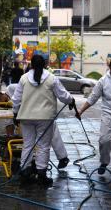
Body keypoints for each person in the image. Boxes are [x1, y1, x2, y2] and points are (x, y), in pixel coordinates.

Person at [12, 55, 75, 186]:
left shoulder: (24, 78)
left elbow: (16, 99)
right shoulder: (51, 78)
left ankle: (25, 172)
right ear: (45, 64)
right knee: (43, 146)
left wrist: (15, 113)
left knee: (28, 144)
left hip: (26, 117)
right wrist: (71, 100)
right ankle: (41, 175)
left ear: (31, 65)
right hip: (45, 118)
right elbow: (63, 95)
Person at [0, 84, 70, 169]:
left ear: (0, 96)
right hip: (26, 120)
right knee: (29, 143)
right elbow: (9, 124)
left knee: (51, 128)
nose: (2, 104)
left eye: (0, 102)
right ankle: (27, 166)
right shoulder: (6, 106)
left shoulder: (12, 88)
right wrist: (10, 138)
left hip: (38, 108)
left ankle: (62, 157)